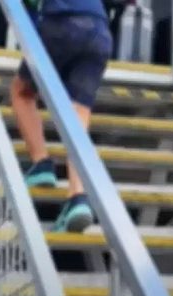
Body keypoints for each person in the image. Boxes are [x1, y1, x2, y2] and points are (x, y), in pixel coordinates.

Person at [12, 0, 113, 232]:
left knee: (22, 91)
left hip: (63, 22)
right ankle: (77, 196)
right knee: (79, 112)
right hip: (100, 31)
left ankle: (41, 163)